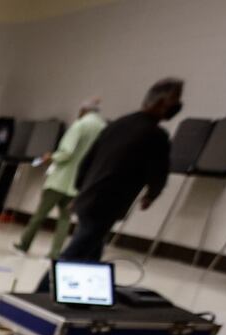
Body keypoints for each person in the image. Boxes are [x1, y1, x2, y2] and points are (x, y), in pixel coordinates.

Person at [54, 78, 183, 265]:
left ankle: (90, 290)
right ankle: (44, 289)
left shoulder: (117, 124)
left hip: (90, 196)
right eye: (176, 100)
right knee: (75, 253)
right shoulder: (156, 135)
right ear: (162, 103)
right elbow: (159, 170)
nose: (178, 105)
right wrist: (152, 195)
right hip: (109, 201)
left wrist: (80, 190)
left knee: (91, 251)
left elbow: (87, 160)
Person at [13, 98, 106, 258]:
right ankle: (55, 252)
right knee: (65, 218)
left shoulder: (80, 125)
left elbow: (66, 152)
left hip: (60, 180)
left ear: (83, 110)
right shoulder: (103, 128)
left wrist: (50, 157)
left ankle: (24, 244)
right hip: (79, 182)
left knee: (40, 215)